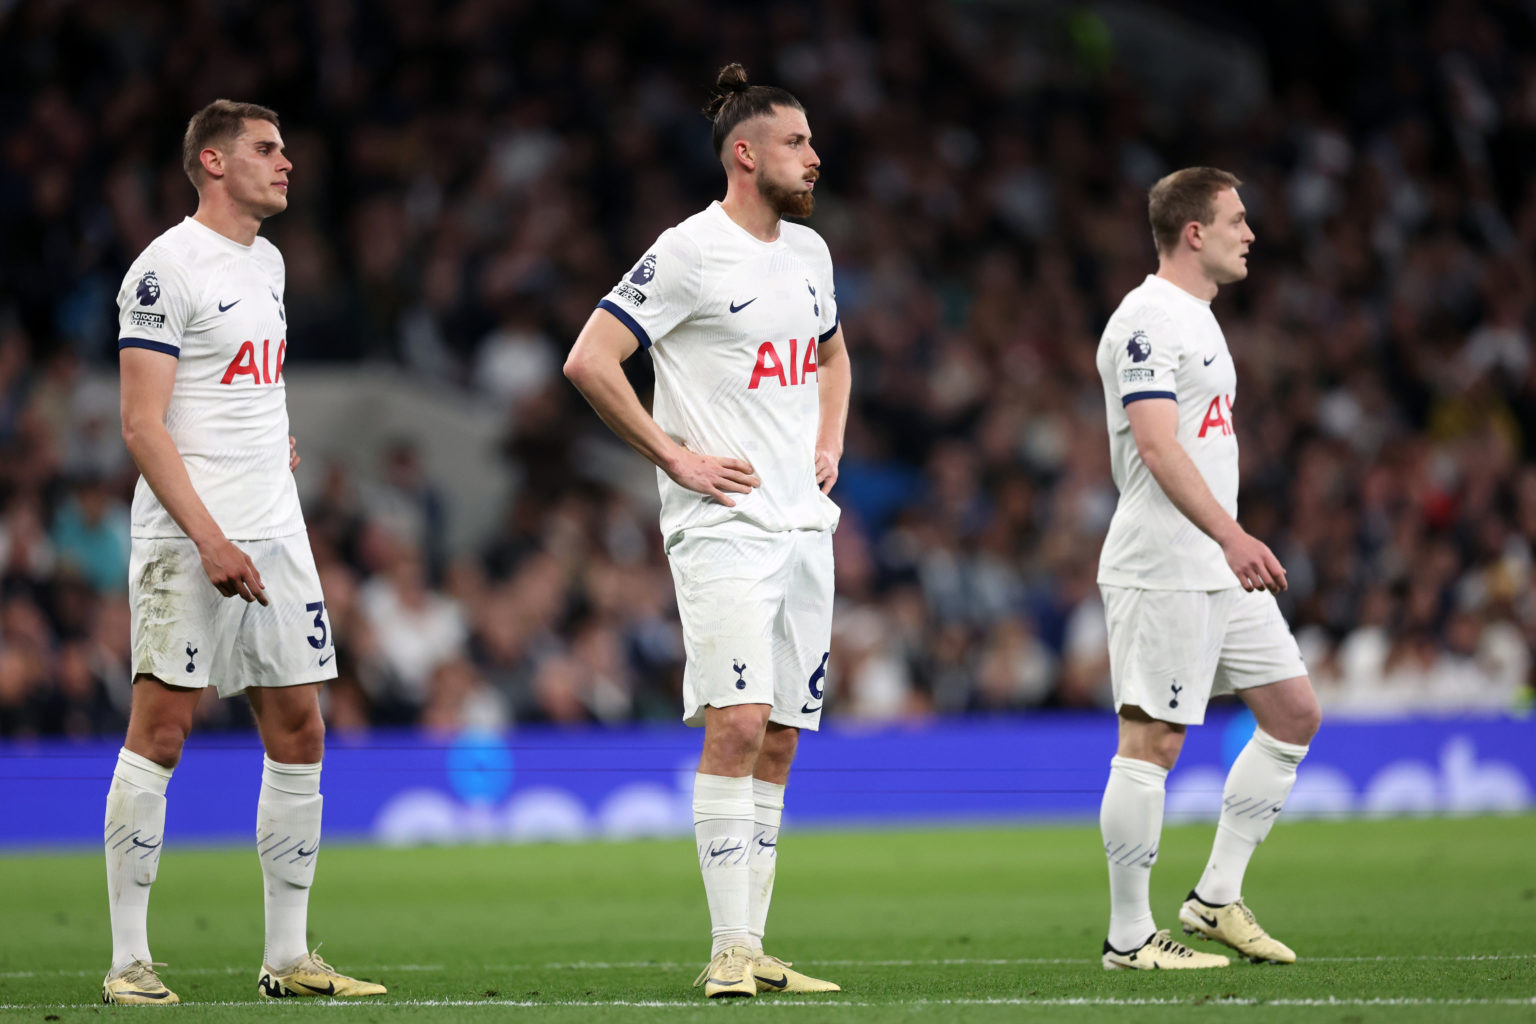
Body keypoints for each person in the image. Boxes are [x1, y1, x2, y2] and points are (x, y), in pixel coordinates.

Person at [564, 64, 850, 999]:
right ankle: (728, 949)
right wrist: (675, 457)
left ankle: (755, 943)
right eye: (798, 142)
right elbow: (591, 360)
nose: (814, 156)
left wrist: (828, 439)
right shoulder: (687, 251)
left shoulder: (810, 256)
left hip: (804, 526)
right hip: (723, 526)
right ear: (745, 153)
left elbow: (833, 354)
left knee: (778, 735)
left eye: (811, 142)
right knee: (732, 722)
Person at [104, 100, 385, 1004]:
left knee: (300, 727)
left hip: (275, 526)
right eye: (267, 149)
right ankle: (128, 963)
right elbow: (143, 427)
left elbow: (242, 387)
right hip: (191, 535)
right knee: (163, 729)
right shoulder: (163, 269)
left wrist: (277, 444)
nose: (286, 162)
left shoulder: (267, 263)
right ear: (214, 163)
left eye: (287, 148)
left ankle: (289, 957)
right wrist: (210, 536)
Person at [1092, 167, 1322, 970]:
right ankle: (1127, 938)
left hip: (1216, 564)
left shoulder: (1199, 317)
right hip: (1166, 563)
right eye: (1236, 219)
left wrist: (1226, 543)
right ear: (1194, 232)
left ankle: (1215, 899)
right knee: (1150, 740)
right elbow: (1155, 446)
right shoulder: (1149, 320)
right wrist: (1232, 534)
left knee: (1293, 713)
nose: (1249, 233)